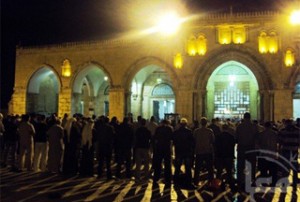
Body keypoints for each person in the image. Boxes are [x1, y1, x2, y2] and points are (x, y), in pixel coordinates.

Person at [236, 112, 259, 189]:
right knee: (252, 165)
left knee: (241, 165)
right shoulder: (254, 126)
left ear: (244, 117)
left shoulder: (239, 126)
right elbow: (257, 138)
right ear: (250, 117)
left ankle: (240, 180)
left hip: (242, 148)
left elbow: (236, 138)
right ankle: (252, 180)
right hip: (251, 148)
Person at [173, 118, 195, 189]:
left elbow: (174, 141)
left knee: (177, 167)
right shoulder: (189, 132)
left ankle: (175, 182)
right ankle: (188, 182)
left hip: (179, 151)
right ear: (186, 124)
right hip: (187, 152)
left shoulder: (176, 132)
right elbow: (192, 142)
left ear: (180, 124)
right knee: (188, 168)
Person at [278, 119, 300, 191]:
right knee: (294, 169)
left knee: (285, 168)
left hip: (286, 151)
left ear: (286, 124)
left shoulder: (283, 131)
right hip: (294, 152)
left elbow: (280, 142)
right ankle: (294, 185)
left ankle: (284, 184)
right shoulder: (298, 131)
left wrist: (279, 151)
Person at [193, 117, 215, 186]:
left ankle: (196, 181)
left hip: (199, 151)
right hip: (207, 151)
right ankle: (211, 181)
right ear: (206, 123)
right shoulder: (209, 131)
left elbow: (193, 140)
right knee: (210, 167)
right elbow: (213, 140)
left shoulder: (196, 131)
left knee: (197, 167)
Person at [152, 119, 173, 186]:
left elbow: (155, 138)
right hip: (166, 148)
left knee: (158, 164)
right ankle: (168, 179)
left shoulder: (158, 128)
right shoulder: (170, 129)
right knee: (167, 165)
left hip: (159, 148)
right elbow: (172, 138)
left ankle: (156, 179)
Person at [257, 121, 278, 186]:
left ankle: (264, 183)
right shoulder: (275, 134)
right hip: (272, 154)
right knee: (273, 171)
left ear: (264, 126)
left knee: (263, 170)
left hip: (263, 154)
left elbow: (257, 144)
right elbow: (277, 143)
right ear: (271, 126)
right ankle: (273, 183)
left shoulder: (261, 134)